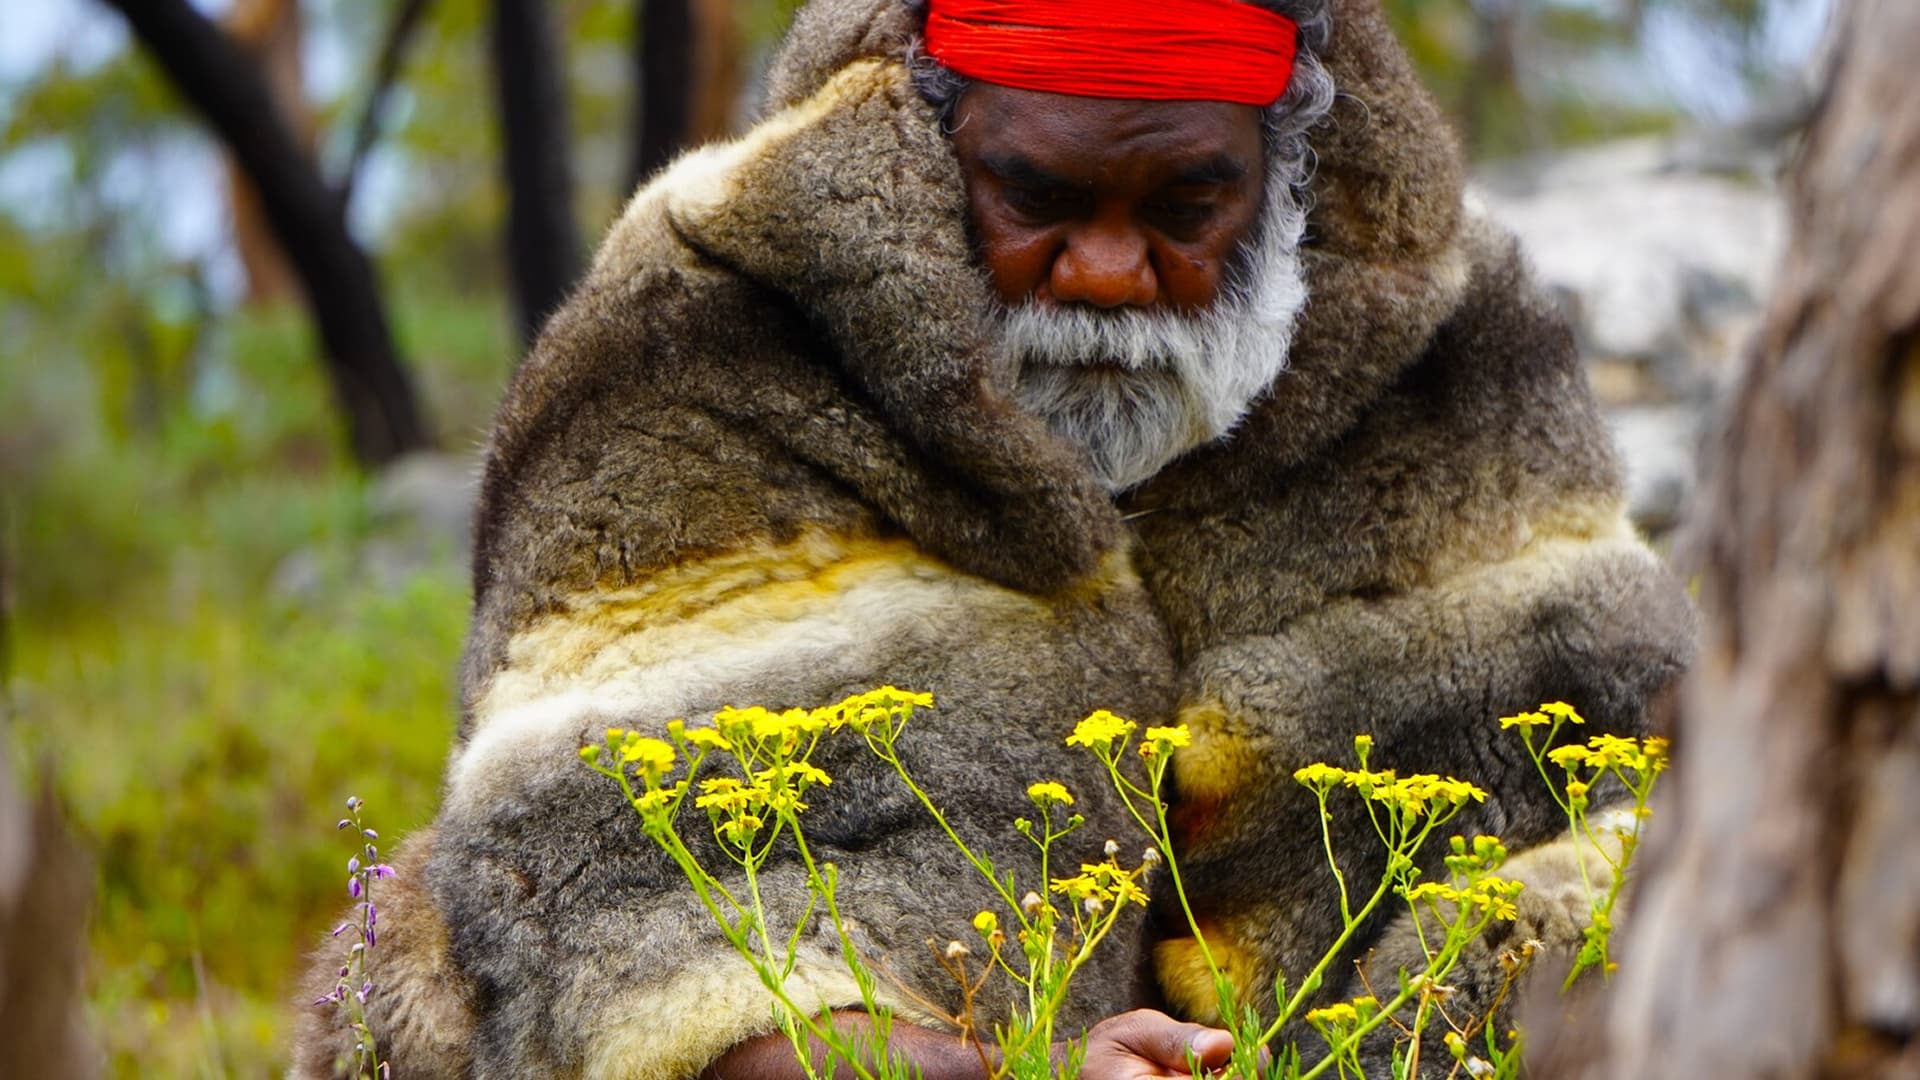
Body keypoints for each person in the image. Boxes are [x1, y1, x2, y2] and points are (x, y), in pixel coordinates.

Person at [291, 1, 1694, 1077]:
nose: (1107, 276)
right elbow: (603, 905)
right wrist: (1003, 1070)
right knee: (412, 970)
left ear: (1288, 168)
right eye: (1038, 200)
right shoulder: (705, 323)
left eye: (1185, 209)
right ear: (919, 139)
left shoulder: (1439, 340)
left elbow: (1629, 793)